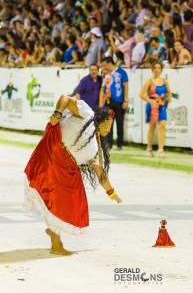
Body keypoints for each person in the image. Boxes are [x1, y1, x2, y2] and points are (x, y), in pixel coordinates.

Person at [24, 96, 122, 256]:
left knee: (71, 203)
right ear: (104, 119)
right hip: (51, 156)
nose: (109, 130)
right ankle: (56, 244)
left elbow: (100, 173)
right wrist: (57, 114)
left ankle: (53, 230)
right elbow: (64, 99)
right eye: (109, 125)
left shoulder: (95, 149)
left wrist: (112, 193)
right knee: (57, 202)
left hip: (66, 170)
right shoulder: (86, 114)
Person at [139, 61, 172, 158]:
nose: (157, 69)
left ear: (161, 69)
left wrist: (169, 98)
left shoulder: (165, 81)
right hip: (152, 106)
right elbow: (141, 95)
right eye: (155, 68)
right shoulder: (149, 81)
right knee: (152, 127)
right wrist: (151, 101)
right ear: (152, 70)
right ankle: (149, 148)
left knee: (163, 126)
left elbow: (169, 92)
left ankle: (161, 149)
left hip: (161, 106)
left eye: (159, 68)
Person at [99, 57, 129, 150]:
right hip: (108, 102)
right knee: (108, 123)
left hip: (119, 101)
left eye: (104, 65)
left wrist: (125, 100)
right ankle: (109, 144)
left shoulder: (122, 72)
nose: (104, 67)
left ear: (109, 63)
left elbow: (126, 86)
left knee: (120, 123)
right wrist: (101, 103)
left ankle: (120, 144)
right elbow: (103, 88)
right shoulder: (106, 74)